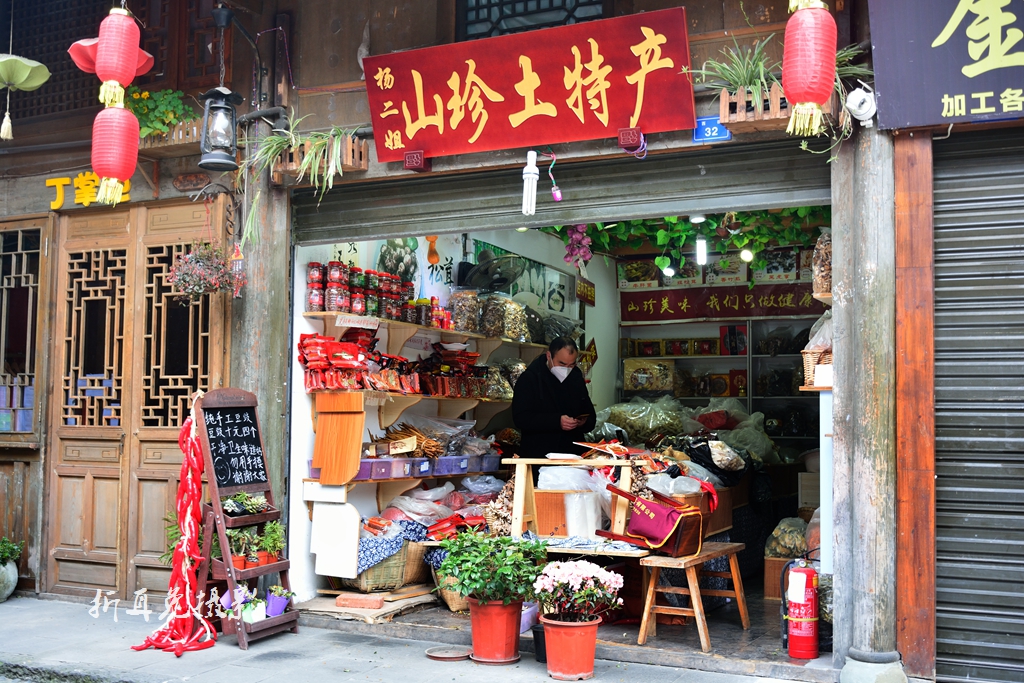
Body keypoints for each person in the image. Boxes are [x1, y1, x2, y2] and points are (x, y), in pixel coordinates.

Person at [512, 336, 597, 458]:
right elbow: (520, 418)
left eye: (571, 365)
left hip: (572, 454)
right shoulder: (530, 378)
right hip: (539, 454)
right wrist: (557, 421)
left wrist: (581, 422)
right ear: (549, 356)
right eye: (562, 363)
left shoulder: (576, 377)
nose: (566, 369)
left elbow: (591, 417)